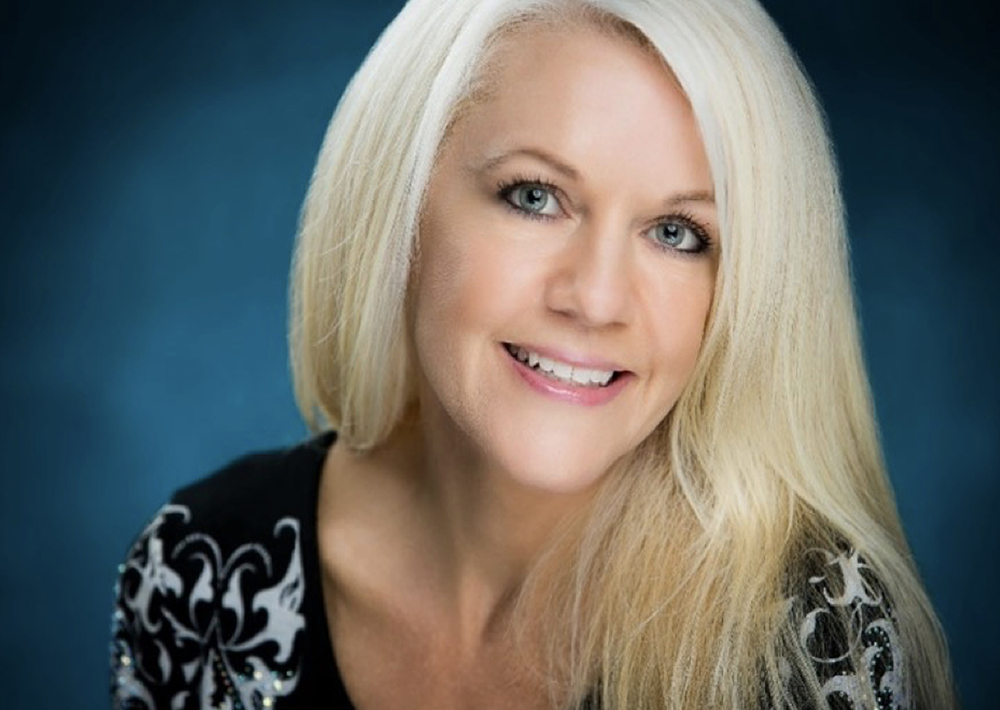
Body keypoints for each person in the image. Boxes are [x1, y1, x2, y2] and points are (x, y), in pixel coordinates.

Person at [110, 0, 957, 708]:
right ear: (400, 204)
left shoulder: (812, 642)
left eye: (677, 232)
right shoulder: (198, 570)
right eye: (535, 196)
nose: (596, 298)